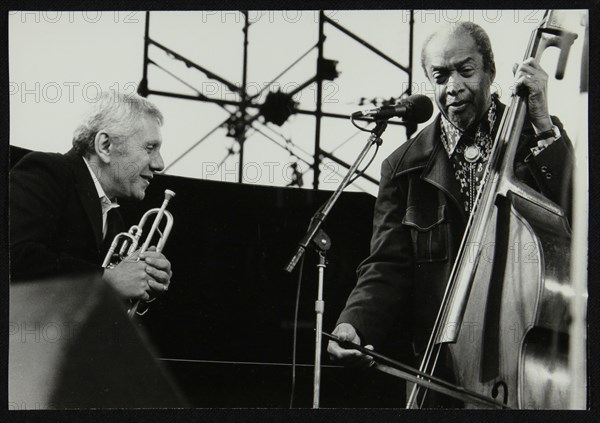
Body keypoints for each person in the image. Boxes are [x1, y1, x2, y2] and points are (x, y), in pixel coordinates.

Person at [327, 22, 573, 406]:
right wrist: (354, 322)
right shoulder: (403, 166)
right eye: (440, 76)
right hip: (440, 367)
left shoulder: (535, 139)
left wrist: (542, 122)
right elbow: (387, 264)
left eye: (466, 71)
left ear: (490, 72)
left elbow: (573, 215)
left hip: (524, 364)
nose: (453, 86)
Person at [10, 92, 172, 304]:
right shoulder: (47, 171)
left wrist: (143, 277)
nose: (160, 164)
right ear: (105, 146)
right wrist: (107, 279)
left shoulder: (114, 219)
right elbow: (13, 255)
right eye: (150, 148)